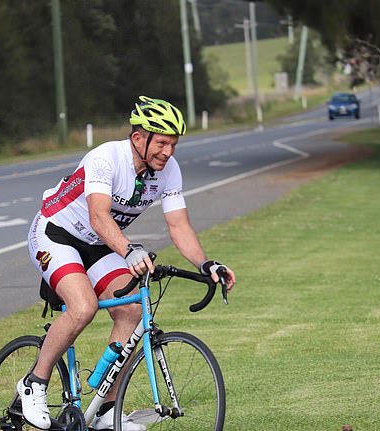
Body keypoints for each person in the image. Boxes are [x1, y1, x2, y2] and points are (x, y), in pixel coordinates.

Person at [18, 96, 236, 430]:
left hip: (98, 242)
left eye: (173, 145)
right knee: (83, 306)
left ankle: (106, 409)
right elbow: (98, 214)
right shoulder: (106, 158)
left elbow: (178, 225)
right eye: (162, 143)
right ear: (138, 138)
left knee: (132, 314)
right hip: (56, 233)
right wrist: (129, 250)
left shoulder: (168, 171)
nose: (168, 152)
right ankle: (34, 381)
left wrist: (206, 263)